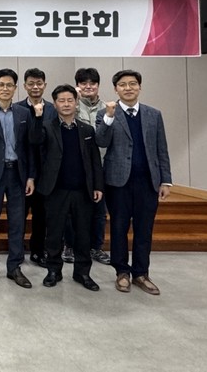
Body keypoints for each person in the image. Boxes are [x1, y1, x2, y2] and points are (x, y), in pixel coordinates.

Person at [95, 70, 172, 295]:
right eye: (122, 84)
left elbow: (161, 149)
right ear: (115, 89)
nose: (128, 88)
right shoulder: (106, 113)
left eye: (132, 84)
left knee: (144, 229)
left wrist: (166, 180)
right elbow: (101, 141)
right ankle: (122, 272)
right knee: (119, 227)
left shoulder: (153, 114)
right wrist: (109, 118)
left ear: (139, 87)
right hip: (118, 182)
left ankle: (141, 273)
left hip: (148, 182)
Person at [0, 68, 41, 289]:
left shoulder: (23, 113)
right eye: (1, 85)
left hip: (17, 174)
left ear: (15, 88)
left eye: (9, 85)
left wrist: (31, 176)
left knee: (17, 223)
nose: (5, 88)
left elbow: (30, 148)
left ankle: (14, 267)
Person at [31, 85, 103, 291]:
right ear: (54, 104)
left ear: (76, 102)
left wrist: (98, 186)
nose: (66, 104)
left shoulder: (87, 130)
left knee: (83, 234)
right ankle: (54, 270)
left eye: (70, 100)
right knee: (54, 234)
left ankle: (82, 272)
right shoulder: (47, 127)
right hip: (56, 190)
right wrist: (37, 117)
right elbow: (34, 140)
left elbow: (94, 160)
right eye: (61, 101)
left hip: (83, 190)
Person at [16, 68, 57, 269]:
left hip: (45, 171)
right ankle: (17, 251)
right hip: (21, 169)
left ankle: (37, 251)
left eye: (39, 83)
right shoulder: (16, 108)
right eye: (31, 83)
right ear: (24, 86)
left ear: (45, 85)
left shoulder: (53, 110)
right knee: (19, 214)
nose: (35, 87)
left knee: (42, 215)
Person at [71, 67, 111, 266]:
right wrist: (75, 101)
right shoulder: (71, 105)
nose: (88, 87)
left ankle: (96, 247)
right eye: (83, 83)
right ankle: (70, 246)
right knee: (72, 210)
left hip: (101, 167)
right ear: (77, 85)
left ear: (98, 85)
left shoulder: (108, 108)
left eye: (92, 83)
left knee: (99, 211)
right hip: (77, 167)